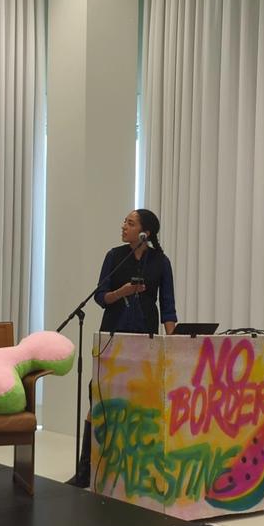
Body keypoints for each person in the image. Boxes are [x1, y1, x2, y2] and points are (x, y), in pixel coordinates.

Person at [67, 208, 177, 487]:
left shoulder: (161, 262)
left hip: (145, 340)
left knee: (140, 400)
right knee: (99, 396)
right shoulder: (115, 256)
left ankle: (135, 472)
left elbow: (168, 306)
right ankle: (85, 470)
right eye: (125, 222)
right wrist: (123, 292)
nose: (123, 226)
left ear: (145, 233)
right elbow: (101, 297)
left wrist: (173, 343)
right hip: (113, 338)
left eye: (130, 223)